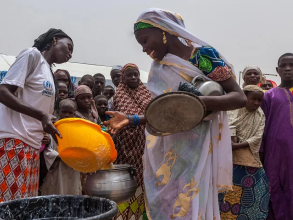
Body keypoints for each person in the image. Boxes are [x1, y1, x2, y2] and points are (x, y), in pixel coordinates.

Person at [105, 9, 246, 220]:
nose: (144, 49)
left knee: (190, 202)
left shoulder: (203, 55)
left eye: (145, 40)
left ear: (163, 30)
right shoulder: (157, 68)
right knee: (165, 202)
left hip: (197, 146)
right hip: (166, 147)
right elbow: (165, 111)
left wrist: (195, 102)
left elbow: (239, 97)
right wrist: (132, 119)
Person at [0, 28, 73, 207]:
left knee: (23, 208)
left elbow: (38, 108)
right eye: (69, 47)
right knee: (4, 208)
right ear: (54, 40)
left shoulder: (48, 71)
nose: (70, 54)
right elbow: (3, 93)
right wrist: (41, 116)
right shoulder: (31, 55)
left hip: (32, 147)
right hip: (11, 142)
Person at [218, 85, 269, 220]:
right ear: (244, 97)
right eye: (253, 99)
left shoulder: (260, 115)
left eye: (259, 100)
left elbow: (258, 137)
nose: (256, 103)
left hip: (249, 162)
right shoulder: (231, 111)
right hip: (227, 160)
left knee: (253, 194)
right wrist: (227, 143)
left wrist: (238, 145)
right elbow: (221, 128)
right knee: (226, 194)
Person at [111, 63, 152, 220]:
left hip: (145, 149)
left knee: (139, 192)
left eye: (136, 74)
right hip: (126, 152)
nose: (134, 77)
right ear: (123, 78)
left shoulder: (146, 93)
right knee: (124, 189)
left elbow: (154, 116)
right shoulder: (120, 95)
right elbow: (127, 126)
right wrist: (142, 121)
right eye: (130, 75)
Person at [261, 53, 293, 219]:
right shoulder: (269, 96)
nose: (288, 69)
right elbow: (261, 127)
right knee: (276, 191)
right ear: (277, 70)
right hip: (276, 155)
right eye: (283, 65)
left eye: (292, 65)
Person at [41, 99, 82, 195]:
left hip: (72, 169)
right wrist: (60, 156)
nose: (67, 115)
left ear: (74, 114)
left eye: (70, 112)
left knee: (73, 192)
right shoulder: (52, 128)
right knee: (56, 192)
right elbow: (47, 150)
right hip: (57, 168)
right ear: (58, 112)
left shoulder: (78, 130)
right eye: (64, 112)